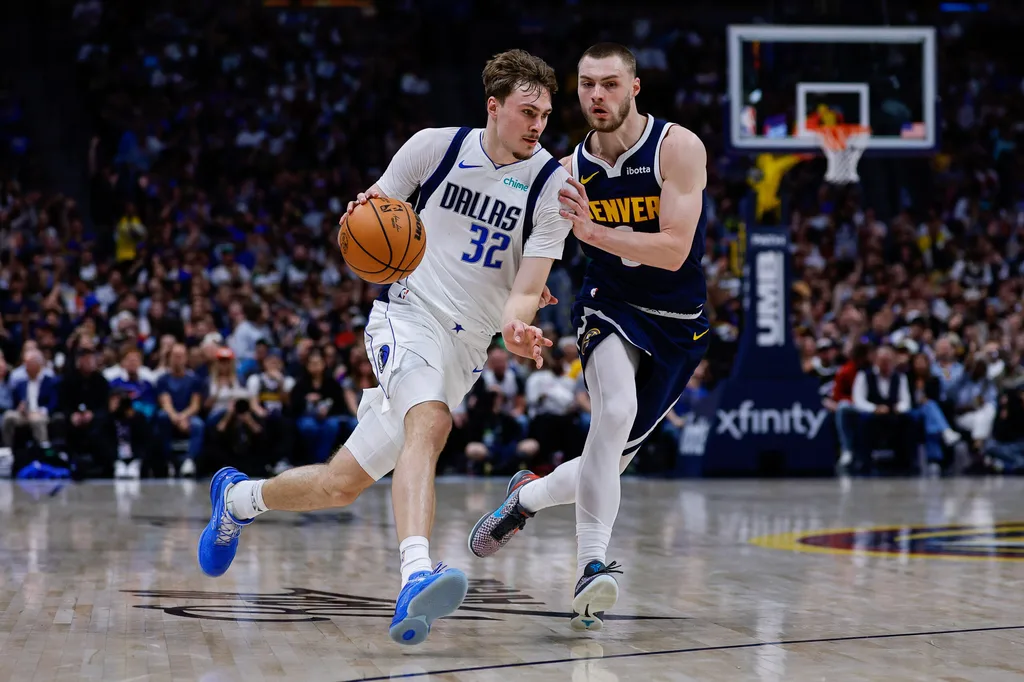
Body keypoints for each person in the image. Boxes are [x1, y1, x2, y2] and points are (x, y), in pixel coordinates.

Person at [197, 49, 571, 646]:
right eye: (528, 111)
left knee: (340, 484)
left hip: (467, 349)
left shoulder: (554, 184)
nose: (537, 126)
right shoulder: (434, 148)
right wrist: (361, 219)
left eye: (546, 115)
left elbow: (526, 290)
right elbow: (370, 217)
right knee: (431, 420)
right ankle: (416, 574)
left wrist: (518, 328)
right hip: (406, 316)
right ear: (494, 107)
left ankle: (238, 499)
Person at [468, 43, 711, 632]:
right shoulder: (568, 170)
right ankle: (590, 566)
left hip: (680, 325)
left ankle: (524, 498)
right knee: (615, 414)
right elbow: (533, 242)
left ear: (634, 88)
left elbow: (676, 249)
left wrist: (596, 233)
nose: (596, 96)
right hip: (609, 305)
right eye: (586, 85)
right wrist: (532, 292)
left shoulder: (677, 147)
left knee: (609, 460)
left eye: (608, 84)